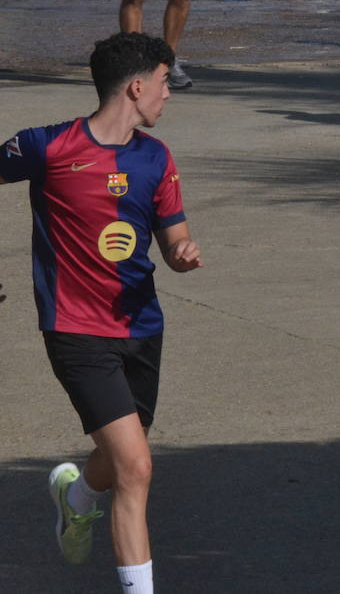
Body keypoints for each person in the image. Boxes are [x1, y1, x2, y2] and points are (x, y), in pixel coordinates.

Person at [1, 32, 204, 594]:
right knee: (137, 468)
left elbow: (174, 237)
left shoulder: (156, 158)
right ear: (137, 87)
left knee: (120, 457)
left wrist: (182, 254)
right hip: (74, 329)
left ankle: (75, 497)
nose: (168, 95)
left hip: (142, 327)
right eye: (165, 83)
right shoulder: (48, 147)